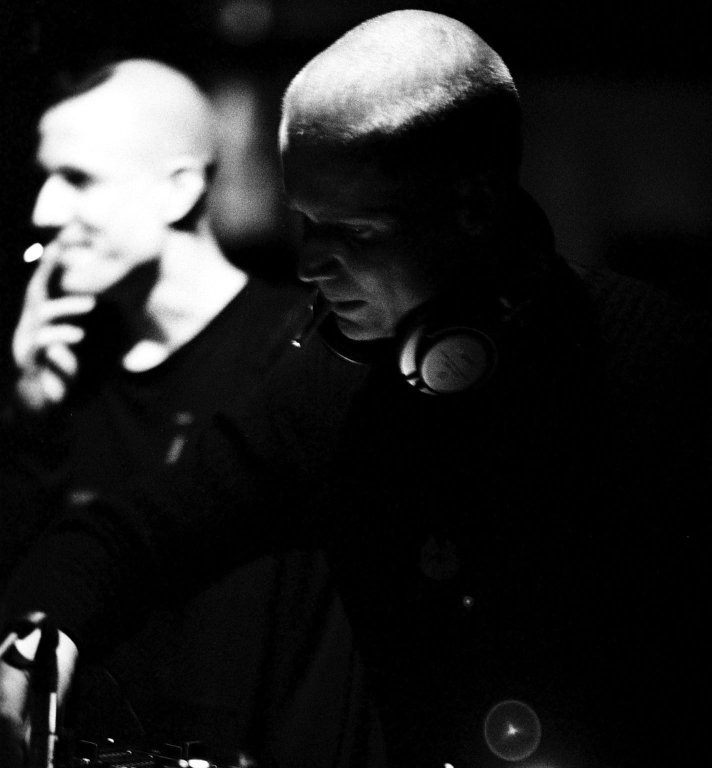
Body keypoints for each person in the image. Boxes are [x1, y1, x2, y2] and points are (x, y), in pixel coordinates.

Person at [1, 11, 710, 768]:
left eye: (356, 233)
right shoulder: (336, 383)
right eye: (304, 221)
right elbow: (131, 533)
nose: (309, 264)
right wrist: (40, 634)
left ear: (475, 206)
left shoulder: (666, 367)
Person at [0, 59, 381, 768]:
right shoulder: (64, 368)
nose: (44, 212)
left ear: (180, 189)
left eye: (78, 179)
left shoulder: (305, 352)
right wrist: (31, 424)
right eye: (45, 179)